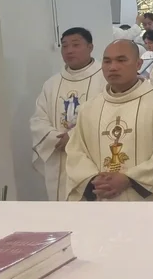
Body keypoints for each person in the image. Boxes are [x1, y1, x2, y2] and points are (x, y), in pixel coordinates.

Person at [64, 40, 153, 202]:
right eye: (107, 61)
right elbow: (76, 152)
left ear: (138, 64)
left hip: (149, 204)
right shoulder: (89, 109)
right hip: (101, 200)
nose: (113, 67)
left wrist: (130, 179)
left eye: (121, 60)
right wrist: (94, 179)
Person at [31, 28, 107, 201]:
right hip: (60, 155)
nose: (69, 50)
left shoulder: (105, 79)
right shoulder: (52, 84)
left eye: (75, 45)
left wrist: (72, 137)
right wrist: (55, 138)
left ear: (90, 47)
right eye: (65, 46)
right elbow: (38, 119)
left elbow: (109, 115)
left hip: (93, 159)